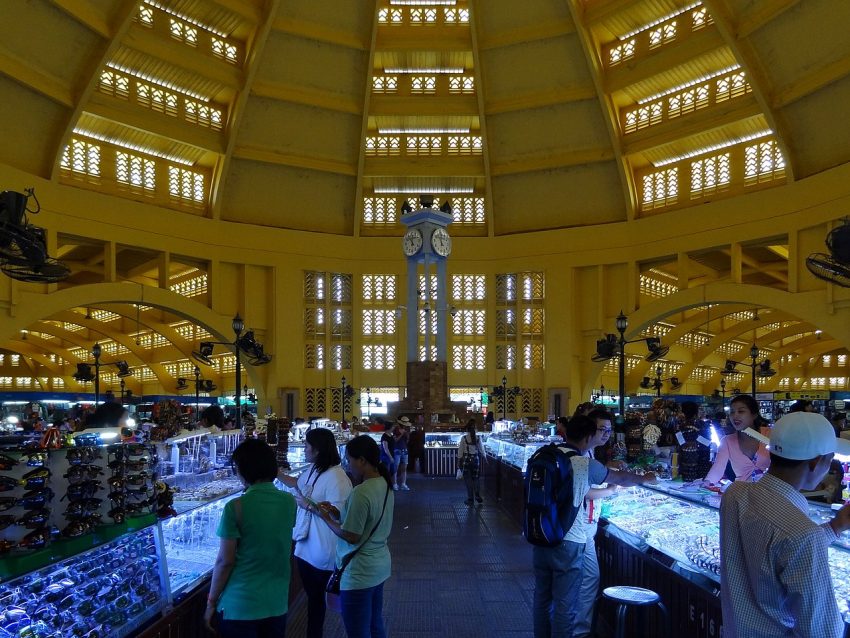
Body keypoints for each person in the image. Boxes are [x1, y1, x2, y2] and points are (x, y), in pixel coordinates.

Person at [720, 412, 850, 638]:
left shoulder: (734, 494)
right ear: (815, 463)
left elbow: (775, 546)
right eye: (829, 462)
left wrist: (834, 527)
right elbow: (822, 631)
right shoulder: (803, 534)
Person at [533, 415, 657, 638]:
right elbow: (621, 479)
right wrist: (644, 478)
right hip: (568, 539)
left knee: (542, 598)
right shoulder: (582, 463)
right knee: (565, 603)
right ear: (589, 435)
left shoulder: (546, 453)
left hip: (541, 534)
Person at [205, 439, 297, 638]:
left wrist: (211, 602)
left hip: (240, 605)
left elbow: (225, 561)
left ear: (243, 470)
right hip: (276, 603)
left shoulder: (235, 507)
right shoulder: (289, 502)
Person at [315, 435, 394, 638]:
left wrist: (325, 518)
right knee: (375, 624)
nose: (348, 466)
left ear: (362, 461)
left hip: (359, 573)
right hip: (379, 567)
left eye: (349, 460)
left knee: (358, 630)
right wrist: (336, 511)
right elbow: (364, 520)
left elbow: (352, 535)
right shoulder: (384, 484)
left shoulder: (361, 492)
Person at [278, 428, 352, 638]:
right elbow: (297, 484)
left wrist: (309, 506)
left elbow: (338, 515)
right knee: (313, 601)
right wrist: (274, 473)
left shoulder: (337, 478)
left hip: (323, 552)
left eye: (306, 445)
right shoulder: (314, 469)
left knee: (320, 603)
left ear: (317, 449)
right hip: (305, 548)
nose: (303, 449)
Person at [703, 395, 770, 484]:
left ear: (754, 415)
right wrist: (706, 483)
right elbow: (718, 468)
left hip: (771, 493)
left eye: (741, 411)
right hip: (742, 493)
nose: (735, 416)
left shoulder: (770, 434)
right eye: (732, 412)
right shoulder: (727, 441)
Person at [458, 420, 484, 505]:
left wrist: (459, 462)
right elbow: (482, 450)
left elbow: (460, 452)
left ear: (467, 429)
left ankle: (470, 499)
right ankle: (477, 495)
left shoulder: (464, 438)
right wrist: (486, 459)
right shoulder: (478, 438)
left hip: (466, 460)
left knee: (468, 480)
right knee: (476, 478)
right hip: (476, 459)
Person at [393, 417, 411, 491]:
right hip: (397, 450)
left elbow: (407, 441)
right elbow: (395, 440)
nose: (405, 425)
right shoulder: (396, 430)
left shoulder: (406, 430)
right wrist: (401, 434)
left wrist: (406, 436)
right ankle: (395, 484)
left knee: (404, 468)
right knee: (395, 468)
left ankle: (403, 484)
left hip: (404, 450)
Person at [380, 421, 397, 490]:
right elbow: (385, 448)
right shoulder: (384, 436)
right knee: (386, 472)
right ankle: (385, 486)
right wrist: (390, 457)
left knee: (392, 471)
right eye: (393, 426)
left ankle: (389, 485)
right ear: (389, 427)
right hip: (386, 457)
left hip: (391, 455)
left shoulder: (391, 435)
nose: (394, 427)